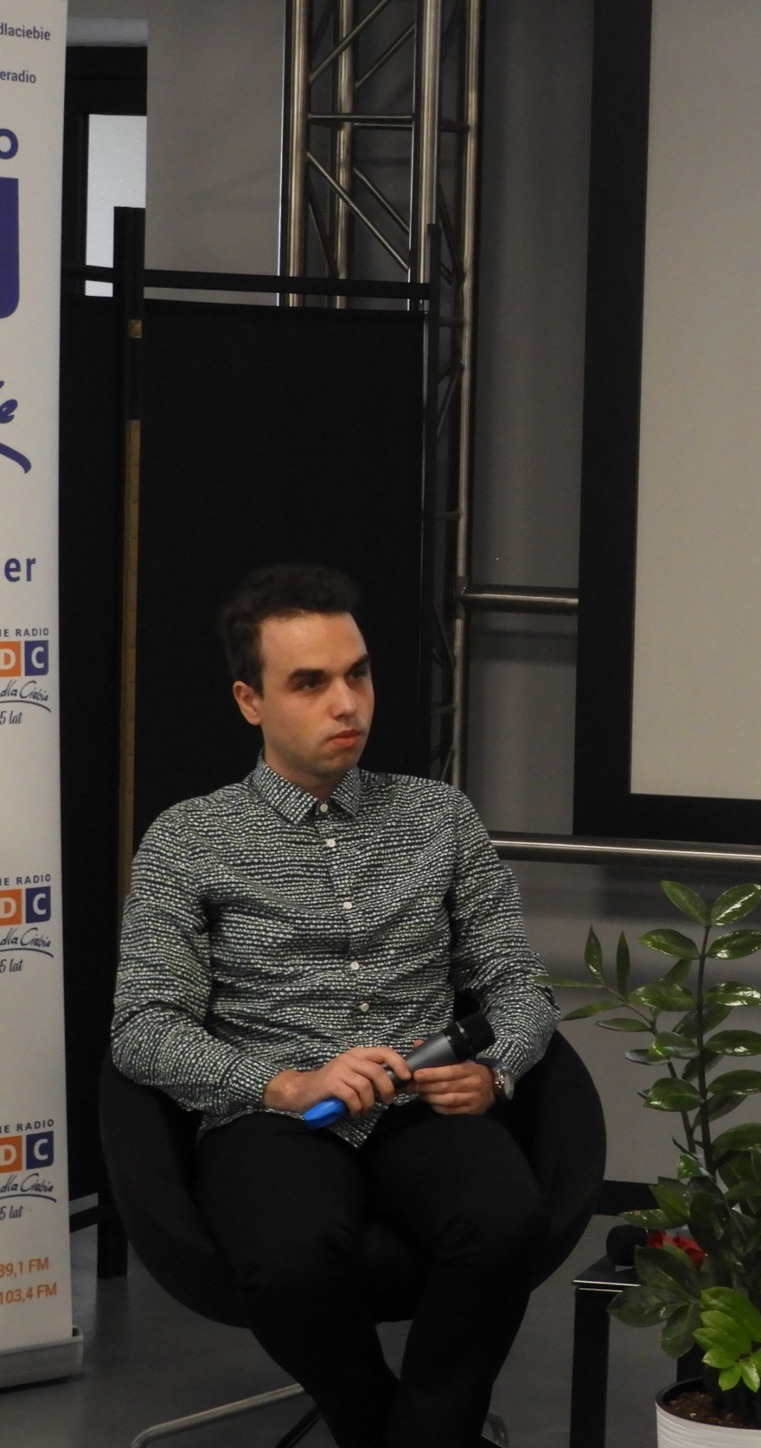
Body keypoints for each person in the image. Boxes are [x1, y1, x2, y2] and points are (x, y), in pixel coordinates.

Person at [111, 564, 559, 1448]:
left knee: (507, 1223)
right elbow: (142, 1028)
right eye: (310, 683)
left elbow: (518, 983)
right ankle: (391, 1429)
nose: (346, 703)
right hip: (274, 1113)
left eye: (357, 674)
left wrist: (496, 1070)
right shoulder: (187, 839)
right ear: (251, 701)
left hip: (422, 1097)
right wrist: (284, 1083)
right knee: (288, 1258)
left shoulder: (440, 817)